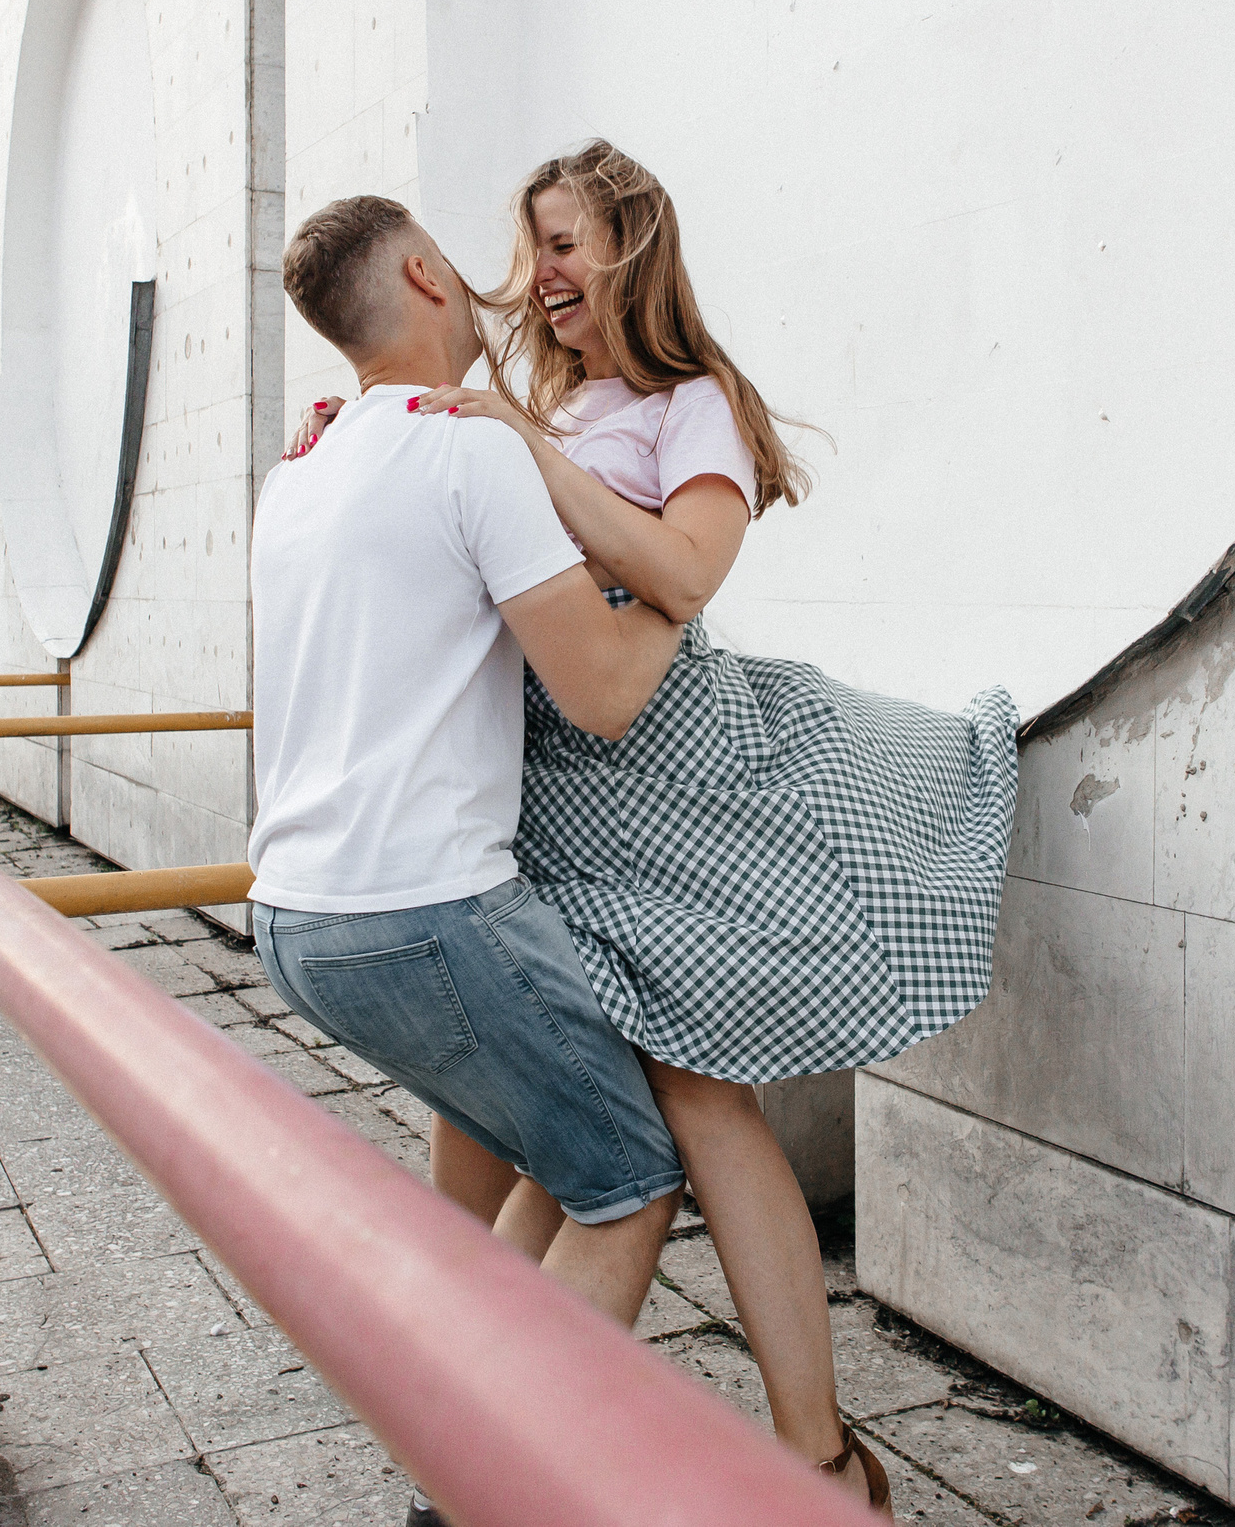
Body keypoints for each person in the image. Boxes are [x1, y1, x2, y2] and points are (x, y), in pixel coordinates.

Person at [289, 141, 1019, 1516]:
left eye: (569, 245)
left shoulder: (695, 406)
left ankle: (812, 1457)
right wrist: (363, 440)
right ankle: (474, 1427)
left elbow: (683, 569)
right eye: (533, 248)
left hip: (673, 786)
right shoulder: (533, 411)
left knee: (692, 1101)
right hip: (546, 806)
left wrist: (513, 444)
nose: (545, 276)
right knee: (514, 1131)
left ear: (631, 248)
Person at [251, 193, 697, 1526]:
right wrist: (681, 584)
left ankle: (457, 1452)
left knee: (542, 1170)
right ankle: (505, 1491)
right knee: (627, 1181)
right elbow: (609, 690)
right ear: (428, 276)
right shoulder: (470, 453)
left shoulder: (301, 472)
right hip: (424, 911)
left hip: (295, 915)